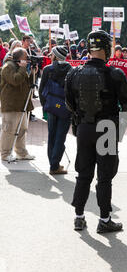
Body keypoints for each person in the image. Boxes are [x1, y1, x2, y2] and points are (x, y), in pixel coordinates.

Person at [65, 30, 127, 233]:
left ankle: (79, 217)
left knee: (83, 173)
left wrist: (79, 120)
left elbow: (69, 103)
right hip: (107, 128)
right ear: (106, 48)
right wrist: (119, 131)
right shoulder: (115, 74)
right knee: (105, 176)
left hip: (84, 127)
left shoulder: (74, 73)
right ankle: (104, 219)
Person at [39, 46, 73, 175]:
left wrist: (45, 106)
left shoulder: (48, 69)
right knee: (60, 137)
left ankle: (53, 165)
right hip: (65, 108)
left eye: (51, 54)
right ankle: (55, 165)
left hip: (52, 107)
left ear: (55, 56)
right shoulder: (70, 69)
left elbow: (42, 90)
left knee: (51, 136)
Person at [0, 48, 36, 161]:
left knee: (22, 129)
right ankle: (5, 154)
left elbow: (26, 82)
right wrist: (23, 68)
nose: (27, 59)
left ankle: (21, 153)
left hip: (22, 104)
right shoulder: (8, 67)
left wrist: (33, 73)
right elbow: (15, 80)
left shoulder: (20, 67)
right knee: (9, 129)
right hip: (11, 105)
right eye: (26, 57)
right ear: (20, 58)